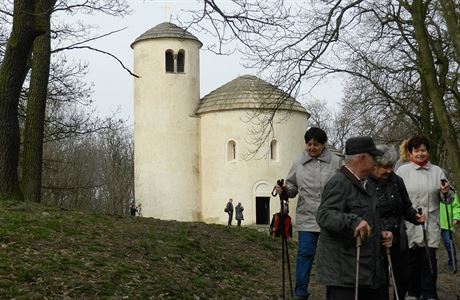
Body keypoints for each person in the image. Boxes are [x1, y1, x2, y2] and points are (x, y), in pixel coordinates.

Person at [316, 136, 393, 300]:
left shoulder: (368, 184)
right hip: (345, 275)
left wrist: (381, 234)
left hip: (367, 271)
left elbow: (370, 217)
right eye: (374, 157)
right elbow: (324, 215)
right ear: (362, 158)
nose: (376, 162)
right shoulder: (339, 182)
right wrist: (353, 221)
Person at [276, 127, 342, 300]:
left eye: (316, 144)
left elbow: (344, 186)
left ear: (323, 144)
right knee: (304, 255)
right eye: (309, 144)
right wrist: (283, 189)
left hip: (331, 217)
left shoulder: (336, 162)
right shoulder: (298, 162)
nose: (312, 147)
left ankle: (333, 294)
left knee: (331, 258)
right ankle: (300, 293)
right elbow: (292, 187)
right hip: (307, 217)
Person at [395, 135, 453, 300]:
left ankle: (429, 294)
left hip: (430, 223)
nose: (420, 153)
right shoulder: (402, 171)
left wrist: (445, 192)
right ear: (410, 152)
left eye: (423, 150)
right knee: (411, 261)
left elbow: (448, 200)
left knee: (428, 260)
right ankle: (413, 293)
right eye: (416, 150)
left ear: (427, 151)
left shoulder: (437, 171)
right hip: (409, 224)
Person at [368, 144, 425, 300]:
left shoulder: (397, 181)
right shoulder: (366, 183)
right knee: (380, 281)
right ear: (375, 165)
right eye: (384, 167)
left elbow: (406, 206)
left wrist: (415, 217)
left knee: (403, 277)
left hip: (399, 237)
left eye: (391, 166)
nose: (388, 171)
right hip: (377, 238)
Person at [440, 192, 459, 271]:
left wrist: (456, 217)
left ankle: (452, 262)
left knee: (448, 243)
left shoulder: (451, 191)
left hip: (446, 223)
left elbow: (456, 206)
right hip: (432, 222)